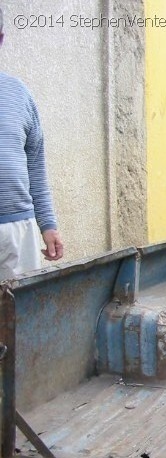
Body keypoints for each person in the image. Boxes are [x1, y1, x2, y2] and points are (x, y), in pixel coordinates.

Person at [0, 7, 64, 280]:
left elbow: (36, 168)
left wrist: (48, 225)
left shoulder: (19, 94)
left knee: (18, 316)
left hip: (18, 231)